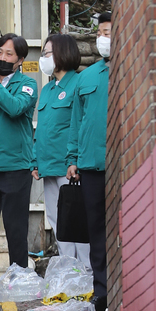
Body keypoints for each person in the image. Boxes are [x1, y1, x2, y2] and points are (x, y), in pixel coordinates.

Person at [0, 34, 38, 295]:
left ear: (20, 60)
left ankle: (19, 282)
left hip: (15, 167)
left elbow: (15, 109)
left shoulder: (27, 84)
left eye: (9, 55)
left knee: (15, 229)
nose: (2, 58)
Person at [67, 12, 112, 311]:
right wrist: (72, 158)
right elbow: (76, 122)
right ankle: (102, 290)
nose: (103, 38)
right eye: (100, 33)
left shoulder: (130, 70)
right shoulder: (87, 76)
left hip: (121, 166)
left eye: (109, 32)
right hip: (90, 166)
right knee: (95, 230)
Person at [32, 34, 90, 266]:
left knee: (77, 222)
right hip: (49, 167)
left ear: (63, 53)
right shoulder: (47, 90)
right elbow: (44, 128)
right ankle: (68, 274)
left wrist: (74, 159)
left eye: (46, 53)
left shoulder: (79, 83)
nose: (43, 58)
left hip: (69, 168)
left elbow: (81, 126)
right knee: (59, 223)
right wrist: (35, 161)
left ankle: (87, 274)